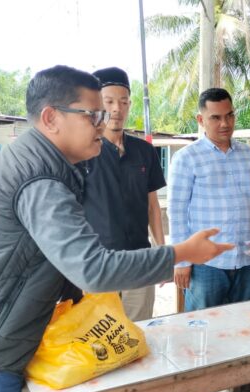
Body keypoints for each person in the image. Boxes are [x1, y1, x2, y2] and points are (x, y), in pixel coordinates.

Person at [0, 65, 232, 392]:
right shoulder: (39, 178)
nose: (103, 122)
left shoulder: (49, 162)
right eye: (92, 115)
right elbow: (92, 269)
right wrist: (181, 253)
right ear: (51, 118)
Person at [168, 87, 250, 392]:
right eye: (216, 117)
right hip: (206, 265)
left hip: (245, 260)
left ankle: (241, 381)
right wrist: (182, 261)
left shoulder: (246, 154)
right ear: (201, 119)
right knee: (202, 331)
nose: (224, 123)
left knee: (243, 327)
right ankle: (200, 389)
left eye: (229, 116)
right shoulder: (187, 159)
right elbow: (176, 212)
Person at [80, 66, 166, 321]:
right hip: (98, 264)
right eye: (109, 102)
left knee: (139, 333)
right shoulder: (82, 152)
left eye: (124, 101)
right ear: (97, 104)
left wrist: (161, 252)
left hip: (140, 261)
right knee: (101, 341)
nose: (117, 109)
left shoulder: (145, 152)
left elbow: (153, 207)